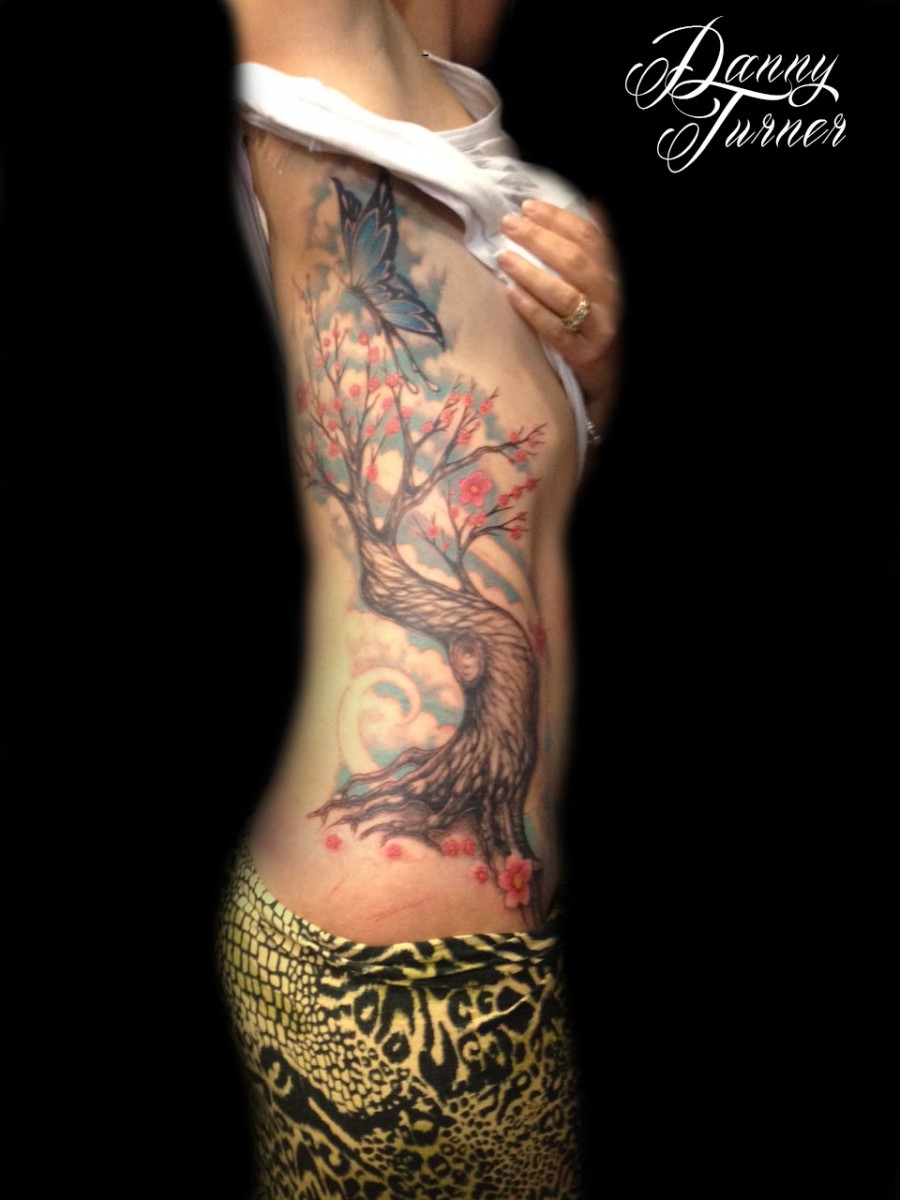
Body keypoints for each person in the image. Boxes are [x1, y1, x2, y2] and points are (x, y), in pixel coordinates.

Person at [217, 2, 620, 1195]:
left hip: (463, 956)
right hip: (403, 981)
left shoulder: (481, 171)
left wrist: (597, 365)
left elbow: (523, 517)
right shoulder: (330, 71)